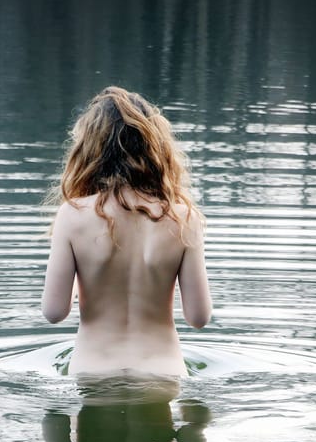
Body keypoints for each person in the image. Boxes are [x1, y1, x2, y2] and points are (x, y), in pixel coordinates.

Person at [42, 86, 212, 377]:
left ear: (89, 150)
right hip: (164, 373)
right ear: (156, 148)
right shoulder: (184, 217)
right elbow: (198, 317)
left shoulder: (72, 215)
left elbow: (54, 312)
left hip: (92, 374)